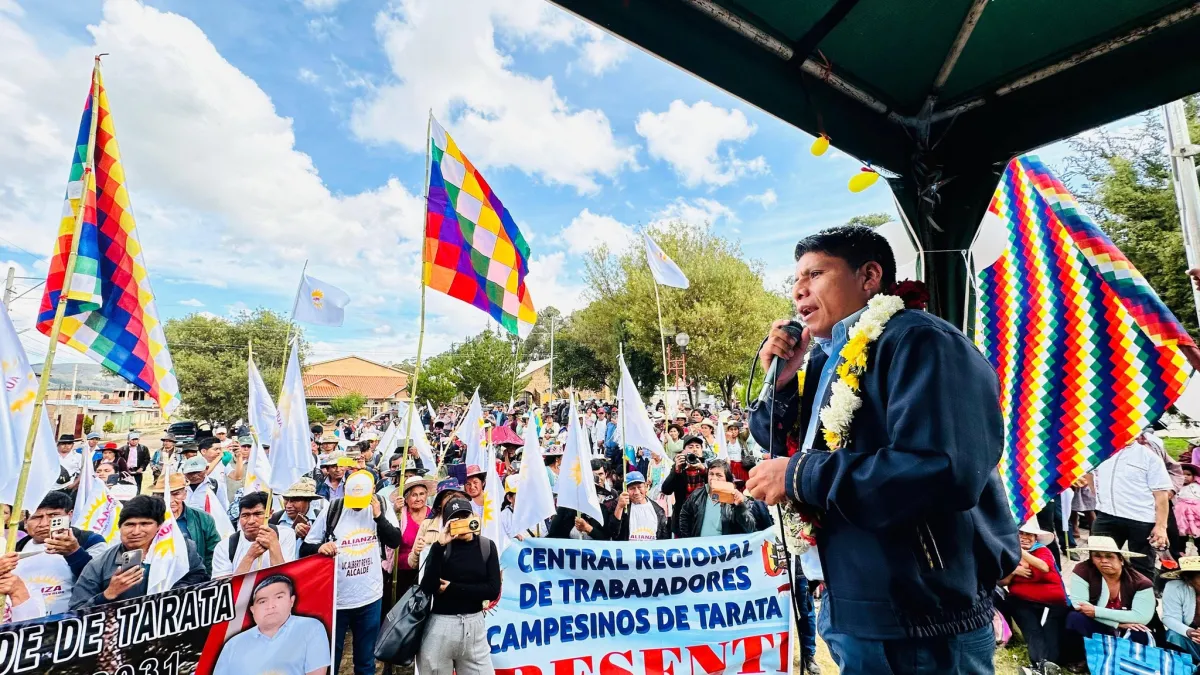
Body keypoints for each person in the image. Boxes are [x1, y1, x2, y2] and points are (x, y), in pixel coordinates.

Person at [746, 225, 1018, 673]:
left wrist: (798, 476)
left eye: (815, 274)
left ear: (869, 276)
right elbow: (775, 439)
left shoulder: (920, 341)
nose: (799, 290)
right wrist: (781, 380)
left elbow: (941, 469)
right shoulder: (822, 358)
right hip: (850, 598)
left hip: (921, 611)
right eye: (795, 280)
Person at [303, 471, 401, 675]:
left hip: (370, 596)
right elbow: (306, 548)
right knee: (331, 659)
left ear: (373, 491)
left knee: (366, 661)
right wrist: (320, 548)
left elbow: (394, 540)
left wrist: (378, 516)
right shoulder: (333, 509)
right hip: (336, 600)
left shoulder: (381, 506)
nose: (356, 505)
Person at [70, 495, 208, 609]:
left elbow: (200, 577)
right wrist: (108, 595)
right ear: (120, 527)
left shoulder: (181, 550)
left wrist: (173, 592)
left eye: (145, 524)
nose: (136, 532)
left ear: (159, 526)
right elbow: (76, 611)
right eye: (129, 525)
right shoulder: (99, 565)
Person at [417, 497, 501, 675]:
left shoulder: (486, 546)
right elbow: (428, 587)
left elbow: (493, 590)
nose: (462, 522)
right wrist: (439, 545)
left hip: (474, 626)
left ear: (473, 517)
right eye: (456, 519)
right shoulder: (442, 547)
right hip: (441, 626)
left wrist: (452, 588)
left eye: (465, 516)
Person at [213, 574, 331, 675]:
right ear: (253, 610)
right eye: (262, 601)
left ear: (291, 601)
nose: (271, 605)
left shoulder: (311, 628)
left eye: (279, 597)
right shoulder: (233, 645)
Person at [14, 491, 109, 614]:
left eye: (53, 516)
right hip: (25, 627)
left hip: (72, 624)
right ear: (25, 522)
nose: (44, 524)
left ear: (69, 515)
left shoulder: (89, 541)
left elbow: (101, 581)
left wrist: (74, 553)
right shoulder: (14, 548)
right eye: (36, 517)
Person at [1091, 437, 1172, 579]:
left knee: (1142, 565)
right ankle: (1105, 597)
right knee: (1099, 559)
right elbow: (1089, 473)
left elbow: (1161, 496)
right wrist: (1098, 496)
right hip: (1106, 516)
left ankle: (1144, 599)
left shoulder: (1148, 457)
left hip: (1141, 519)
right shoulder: (1101, 452)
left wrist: (1161, 527)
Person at [996, 518, 1067, 672]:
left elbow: (1043, 567)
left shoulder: (1042, 551)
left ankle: (1044, 665)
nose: (1024, 537)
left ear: (1036, 538)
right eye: (1020, 533)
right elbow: (1002, 582)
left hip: (1051, 603)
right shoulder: (1008, 555)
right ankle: (1039, 665)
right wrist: (1014, 570)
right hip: (1022, 601)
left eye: (1029, 534)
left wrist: (1019, 552)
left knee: (1050, 634)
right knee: (1032, 630)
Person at [1065, 536, 1154, 644]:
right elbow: (1079, 606)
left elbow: (1141, 617)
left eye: (1109, 556)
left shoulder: (1141, 582)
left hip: (1126, 629)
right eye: (1097, 556)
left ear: (1121, 560)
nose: (1103, 561)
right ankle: (1080, 658)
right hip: (1100, 624)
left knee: (1139, 631)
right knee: (1075, 618)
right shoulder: (1082, 570)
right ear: (1092, 560)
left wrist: (1096, 611)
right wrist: (1117, 624)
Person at [153, 471, 221, 576]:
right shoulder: (148, 521)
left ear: (185, 494)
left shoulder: (203, 519)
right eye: (164, 495)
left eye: (176, 494)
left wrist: (206, 581)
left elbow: (213, 554)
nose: (170, 500)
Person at [213, 491, 295, 577]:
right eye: (245, 515)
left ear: (270, 513)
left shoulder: (285, 534)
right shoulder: (224, 546)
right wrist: (250, 557)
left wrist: (273, 546)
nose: (251, 521)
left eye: (257, 514)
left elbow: (286, 579)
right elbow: (225, 587)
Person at [385, 475, 435, 601]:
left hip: (428, 570)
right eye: (414, 495)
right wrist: (395, 512)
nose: (419, 498)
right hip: (403, 572)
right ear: (406, 498)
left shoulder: (434, 513)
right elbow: (389, 535)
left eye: (422, 494)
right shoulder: (399, 514)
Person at [677, 459, 756, 538]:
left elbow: (750, 528)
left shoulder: (738, 498)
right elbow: (684, 515)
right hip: (701, 548)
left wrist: (740, 507)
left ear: (727, 479)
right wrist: (688, 539)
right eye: (711, 474)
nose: (714, 478)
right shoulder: (697, 494)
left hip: (726, 548)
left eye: (719, 475)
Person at [408, 480, 470, 568]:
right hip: (434, 576)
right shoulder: (427, 524)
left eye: (455, 495)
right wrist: (416, 552)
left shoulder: (471, 519)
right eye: (448, 496)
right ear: (440, 503)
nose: (452, 499)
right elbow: (412, 564)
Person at [661, 437, 709, 535]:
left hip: (704, 515)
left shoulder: (708, 466)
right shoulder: (679, 467)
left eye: (698, 447)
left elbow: (715, 487)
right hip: (683, 516)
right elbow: (666, 490)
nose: (694, 449)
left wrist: (703, 469)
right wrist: (677, 471)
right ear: (684, 451)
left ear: (701, 450)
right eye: (690, 447)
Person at [606, 472, 670, 541]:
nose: (636, 492)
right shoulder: (619, 505)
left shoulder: (658, 510)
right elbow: (613, 533)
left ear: (646, 487)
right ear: (626, 489)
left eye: (639, 487)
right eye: (632, 488)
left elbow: (664, 539)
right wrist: (619, 507)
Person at [271, 477, 325, 558]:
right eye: (286, 499)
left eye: (295, 500)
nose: (288, 505)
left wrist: (308, 538)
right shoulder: (274, 519)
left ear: (308, 500)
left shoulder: (321, 519)